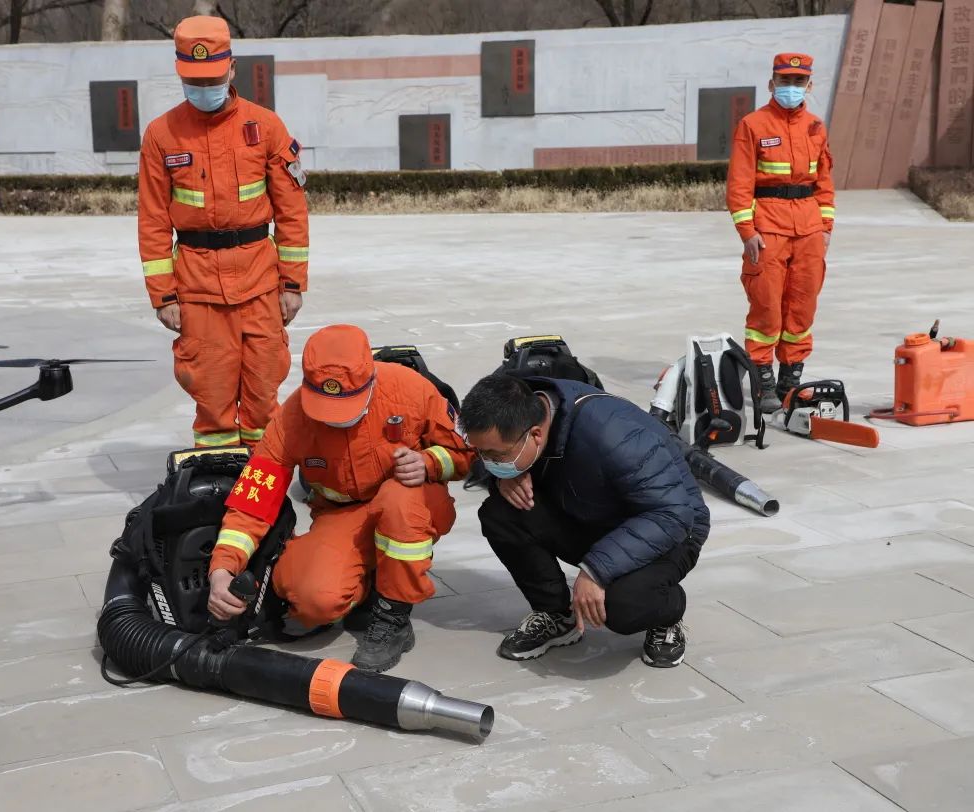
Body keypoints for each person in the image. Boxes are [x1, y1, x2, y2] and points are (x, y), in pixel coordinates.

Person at [206, 324, 473, 672]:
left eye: (346, 408)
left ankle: (393, 615)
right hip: (341, 514)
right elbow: (254, 500)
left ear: (372, 380)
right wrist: (223, 568)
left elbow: (466, 455)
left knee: (399, 500)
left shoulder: (412, 390)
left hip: (411, 502)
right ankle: (367, 584)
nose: (336, 421)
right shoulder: (291, 420)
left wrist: (429, 462)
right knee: (312, 600)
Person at [138, 15, 309, 449]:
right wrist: (164, 295)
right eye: (194, 80)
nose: (204, 88)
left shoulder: (266, 127)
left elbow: (291, 212)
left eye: (213, 77)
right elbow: (153, 219)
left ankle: (262, 493)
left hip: (260, 284)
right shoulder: (162, 134)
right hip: (197, 289)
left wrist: (292, 285)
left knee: (263, 394)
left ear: (232, 68)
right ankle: (216, 490)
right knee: (210, 398)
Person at [459, 373, 710, 668]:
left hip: (672, 531)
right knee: (500, 513)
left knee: (623, 606)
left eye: (495, 455)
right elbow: (493, 457)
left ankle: (667, 614)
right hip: (594, 514)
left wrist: (596, 570)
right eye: (482, 452)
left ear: (535, 435)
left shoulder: (615, 436)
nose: (487, 460)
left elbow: (671, 514)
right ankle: (555, 615)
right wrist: (503, 477)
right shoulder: (517, 413)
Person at [726, 52, 835, 413]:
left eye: (799, 81)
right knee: (767, 307)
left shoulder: (816, 127)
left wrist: (826, 227)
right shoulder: (753, 125)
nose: (792, 87)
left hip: (808, 229)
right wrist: (747, 230)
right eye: (785, 81)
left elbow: (824, 181)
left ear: (809, 85)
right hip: (768, 228)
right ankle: (763, 382)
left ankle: (792, 379)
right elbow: (739, 183)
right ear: (772, 84)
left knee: (802, 306)